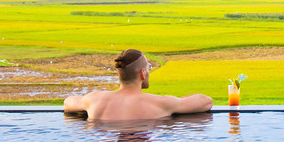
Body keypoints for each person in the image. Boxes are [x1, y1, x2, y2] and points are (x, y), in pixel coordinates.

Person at [63, 49, 212, 121]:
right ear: (142, 74)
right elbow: (206, 101)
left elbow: (68, 102)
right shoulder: (161, 103)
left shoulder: (94, 100)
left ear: (118, 75)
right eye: (148, 69)